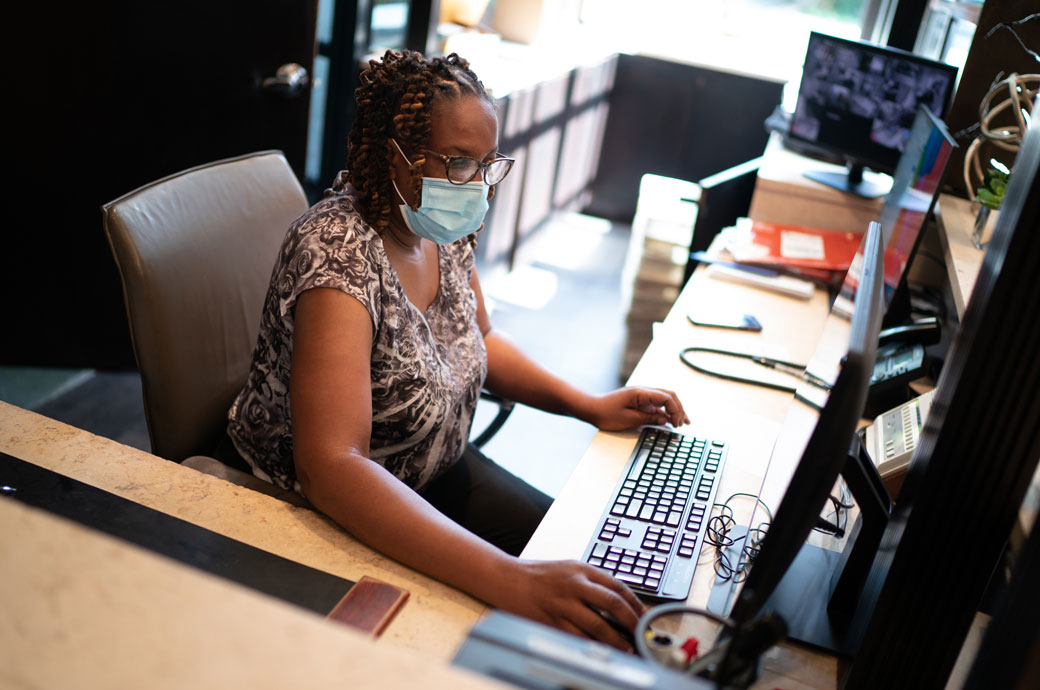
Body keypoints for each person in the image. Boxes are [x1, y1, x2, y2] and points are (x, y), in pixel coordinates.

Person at [226, 49, 690, 650]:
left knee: (604, 582)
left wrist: (589, 405)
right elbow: (333, 466)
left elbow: (481, 340)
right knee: (546, 620)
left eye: (486, 165)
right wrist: (510, 580)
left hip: (430, 472)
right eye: (459, 162)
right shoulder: (336, 255)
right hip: (328, 507)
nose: (474, 184)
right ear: (393, 153)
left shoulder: (436, 230)